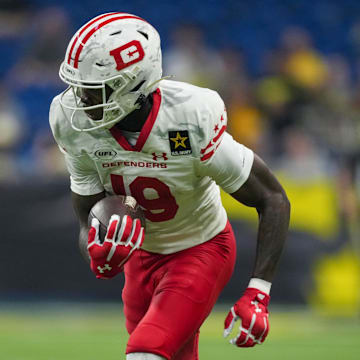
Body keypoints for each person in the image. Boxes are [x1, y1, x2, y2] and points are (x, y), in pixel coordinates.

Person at [49, 12, 290, 360]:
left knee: (145, 352)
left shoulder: (188, 118)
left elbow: (273, 198)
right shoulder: (72, 124)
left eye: (92, 89)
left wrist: (258, 292)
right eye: (78, 86)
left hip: (200, 249)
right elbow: (88, 219)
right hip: (140, 261)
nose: (80, 99)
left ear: (132, 85)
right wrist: (98, 251)